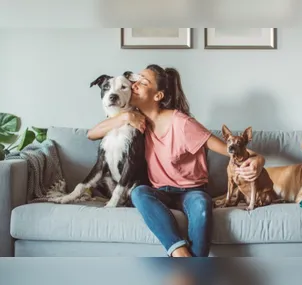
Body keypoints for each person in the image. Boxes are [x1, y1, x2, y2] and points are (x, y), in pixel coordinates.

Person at [87, 64, 265, 257]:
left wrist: (259, 160)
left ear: (158, 96)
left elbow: (229, 150)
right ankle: (181, 254)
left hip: (191, 191)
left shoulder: (182, 123)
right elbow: (92, 134)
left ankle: (192, 272)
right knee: (139, 193)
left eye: (142, 82)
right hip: (160, 191)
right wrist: (127, 116)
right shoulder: (136, 120)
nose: (135, 85)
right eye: (135, 82)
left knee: (202, 207)